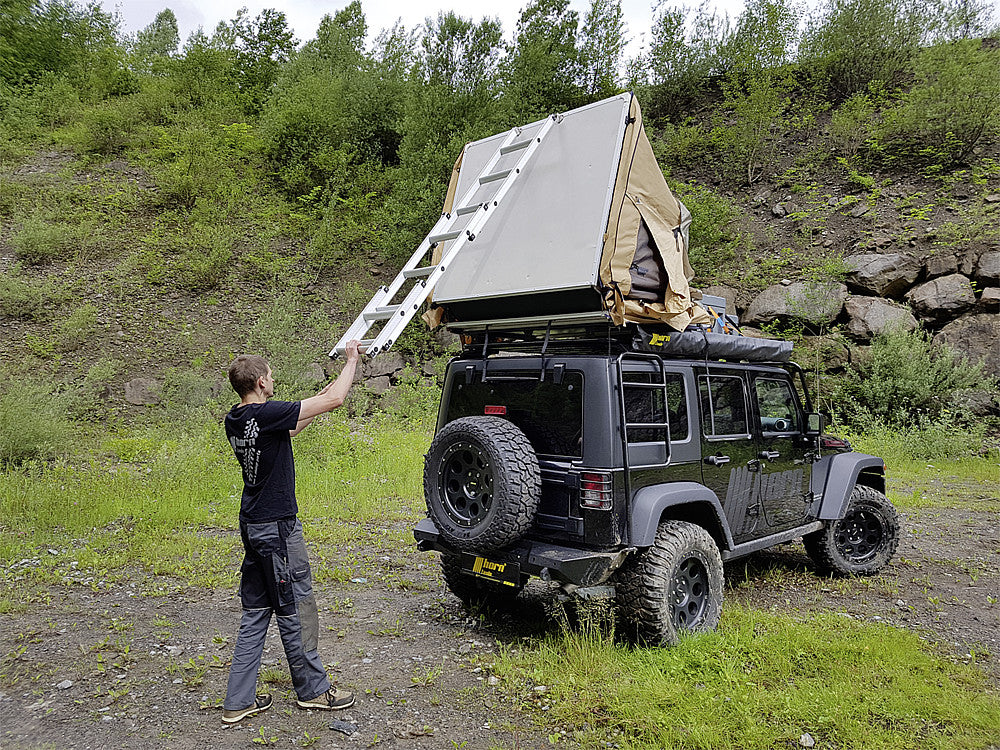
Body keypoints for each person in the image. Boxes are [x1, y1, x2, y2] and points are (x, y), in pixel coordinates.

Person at [221, 341, 362, 725]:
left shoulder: (236, 418)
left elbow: (296, 424)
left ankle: (238, 700)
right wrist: (351, 361)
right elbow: (334, 400)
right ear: (262, 382)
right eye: (271, 376)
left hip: (252, 525)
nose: (274, 381)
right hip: (277, 529)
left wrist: (316, 399)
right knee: (297, 606)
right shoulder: (268, 413)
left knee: (256, 610)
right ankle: (314, 691)